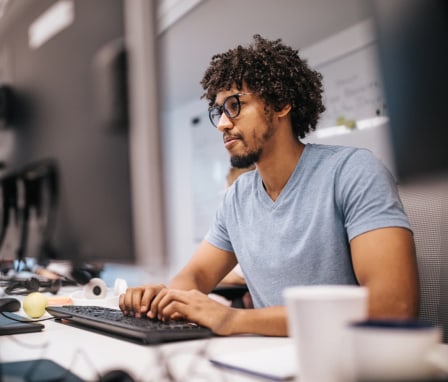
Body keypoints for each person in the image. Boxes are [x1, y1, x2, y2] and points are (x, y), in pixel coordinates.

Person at [119, 35, 419, 337]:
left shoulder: (353, 172)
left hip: (344, 360)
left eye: (234, 105)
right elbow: (196, 277)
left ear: (281, 104)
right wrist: (158, 296)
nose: (222, 123)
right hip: (270, 360)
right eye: (219, 111)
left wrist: (233, 320)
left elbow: (394, 307)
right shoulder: (237, 197)